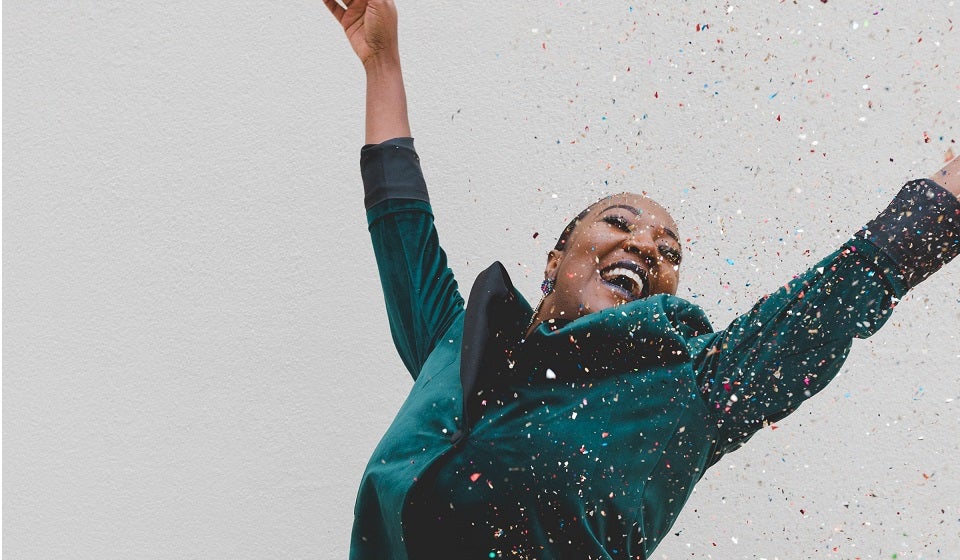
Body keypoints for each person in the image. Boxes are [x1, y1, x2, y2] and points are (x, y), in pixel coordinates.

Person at [324, 1, 960, 558]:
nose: (643, 246)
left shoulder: (685, 396)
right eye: (618, 221)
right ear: (556, 258)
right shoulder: (456, 347)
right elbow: (400, 224)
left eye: (669, 250)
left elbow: (833, 299)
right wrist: (383, 63)